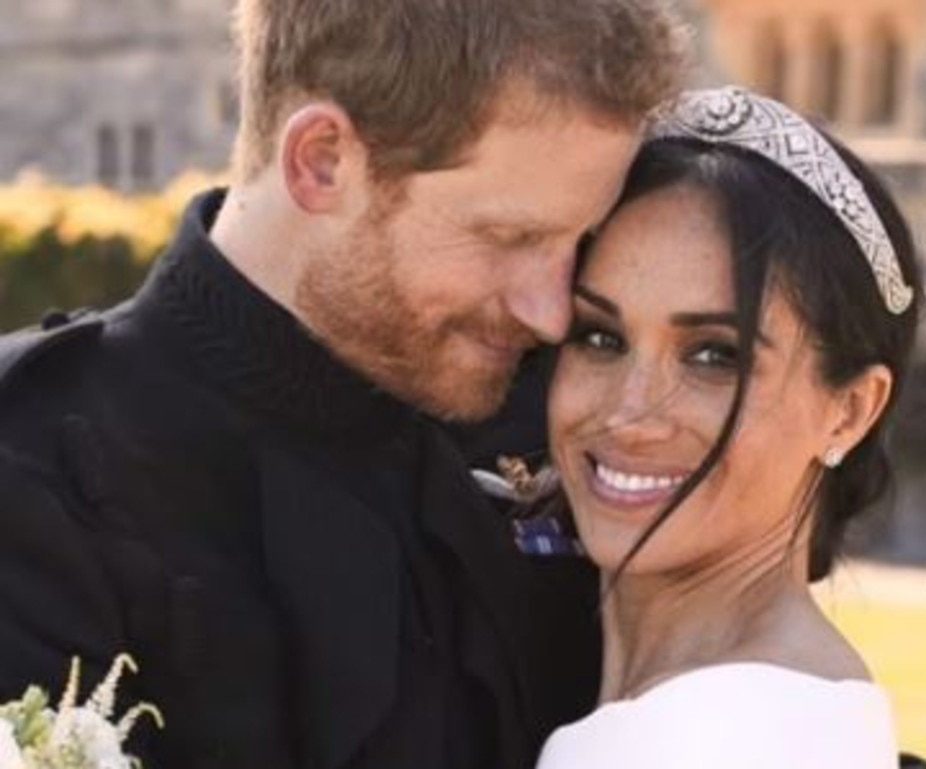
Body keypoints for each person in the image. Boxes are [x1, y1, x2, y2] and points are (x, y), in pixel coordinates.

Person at [0, 2, 693, 768]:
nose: (553, 310)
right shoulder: (34, 474)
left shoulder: (565, 420)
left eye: (579, 240)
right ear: (321, 159)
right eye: (511, 237)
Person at [534, 86, 923, 768]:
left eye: (715, 355)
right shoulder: (770, 709)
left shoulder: (721, 736)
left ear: (852, 408)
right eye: (599, 337)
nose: (629, 412)